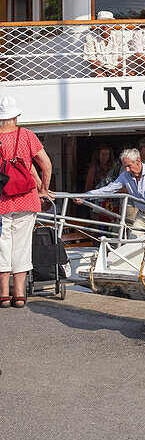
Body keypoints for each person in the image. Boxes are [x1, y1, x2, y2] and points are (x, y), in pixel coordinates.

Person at [0, 96, 53, 308]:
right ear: (15, 117)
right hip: (26, 199)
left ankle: (4, 294)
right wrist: (43, 189)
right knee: (21, 246)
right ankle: (19, 295)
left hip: (1, 201)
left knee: (2, 246)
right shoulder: (26, 136)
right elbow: (46, 165)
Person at [81, 148, 145, 232]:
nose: (127, 170)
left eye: (129, 166)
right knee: (132, 243)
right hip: (141, 216)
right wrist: (87, 195)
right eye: (125, 166)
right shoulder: (126, 174)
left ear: (138, 161)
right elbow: (110, 189)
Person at [83, 11, 125, 76]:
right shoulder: (91, 36)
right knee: (99, 75)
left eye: (108, 22)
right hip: (98, 69)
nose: (105, 25)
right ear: (98, 24)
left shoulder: (119, 36)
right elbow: (92, 63)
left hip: (116, 68)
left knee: (129, 74)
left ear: (112, 24)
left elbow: (122, 60)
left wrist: (116, 70)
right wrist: (108, 70)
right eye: (102, 22)